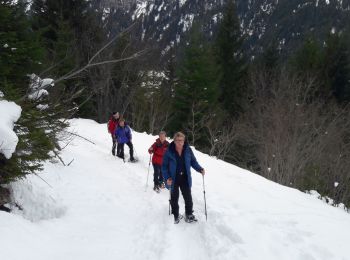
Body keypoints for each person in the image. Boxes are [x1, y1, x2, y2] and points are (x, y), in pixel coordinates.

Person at [162, 132, 205, 224]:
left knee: (188, 197)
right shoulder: (169, 151)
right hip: (173, 178)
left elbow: (193, 162)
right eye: (177, 140)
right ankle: (175, 214)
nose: (179, 142)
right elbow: (164, 166)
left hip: (185, 177)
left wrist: (200, 169)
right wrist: (167, 178)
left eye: (181, 140)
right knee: (174, 197)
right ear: (174, 141)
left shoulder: (188, 150)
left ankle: (188, 214)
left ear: (184, 140)